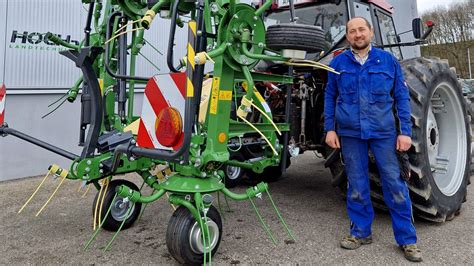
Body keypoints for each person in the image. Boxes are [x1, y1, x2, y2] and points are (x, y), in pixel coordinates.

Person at [324, 17, 422, 262]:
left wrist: (405, 133)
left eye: (361, 30)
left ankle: (407, 240)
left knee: (395, 185)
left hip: (383, 133)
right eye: (352, 31)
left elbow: (401, 98)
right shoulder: (338, 63)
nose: (357, 34)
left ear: (370, 32)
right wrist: (330, 129)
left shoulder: (389, 62)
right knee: (356, 184)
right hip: (350, 133)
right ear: (347, 36)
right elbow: (329, 97)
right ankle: (360, 232)